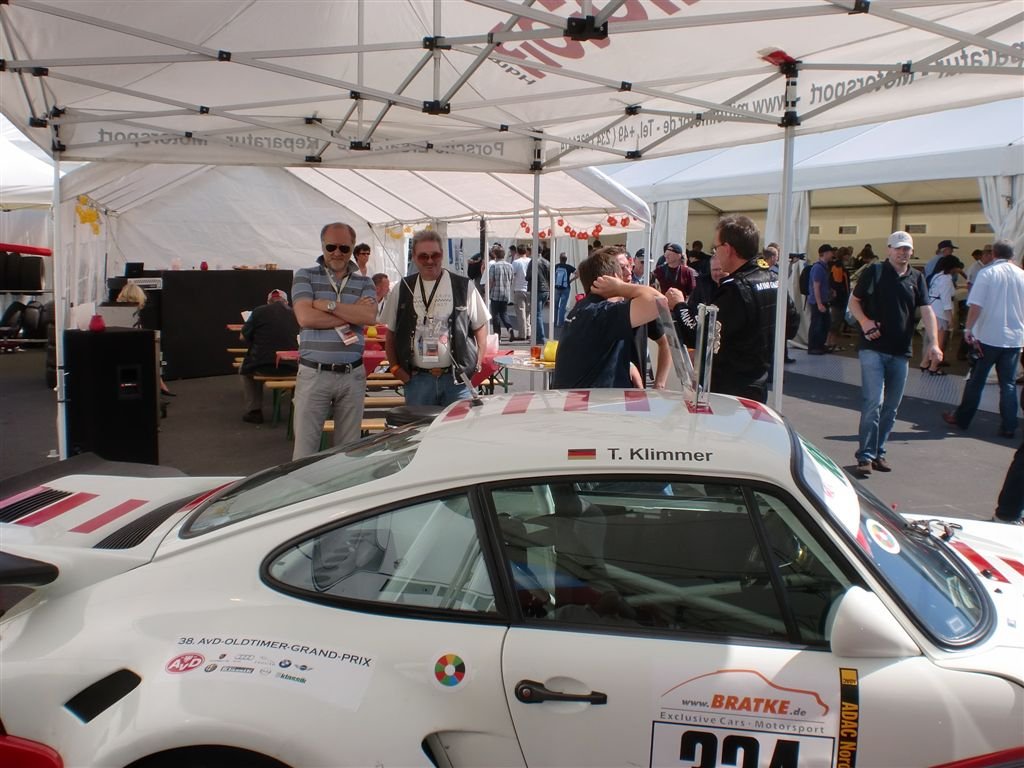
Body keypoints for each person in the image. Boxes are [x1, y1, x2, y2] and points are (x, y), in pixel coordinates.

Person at [673, 215, 799, 403]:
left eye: (716, 247)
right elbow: (792, 326)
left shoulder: (735, 289)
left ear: (727, 248)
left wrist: (679, 305)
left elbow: (700, 335)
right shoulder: (773, 278)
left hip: (731, 389)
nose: (715, 253)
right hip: (758, 381)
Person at [848, 230, 941, 477]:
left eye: (906, 248)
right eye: (898, 248)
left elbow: (927, 310)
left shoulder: (917, 278)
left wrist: (934, 343)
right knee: (874, 402)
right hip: (873, 349)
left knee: (891, 407)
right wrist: (865, 322)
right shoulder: (875, 272)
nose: (902, 252)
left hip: (901, 351)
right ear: (889, 249)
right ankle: (865, 455)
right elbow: (854, 301)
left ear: (912, 251)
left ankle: (878, 451)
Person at [291, 222, 378, 459]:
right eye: (331, 247)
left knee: (348, 453)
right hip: (314, 374)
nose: (337, 252)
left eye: (344, 248)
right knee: (304, 454)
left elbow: (369, 317)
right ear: (322, 247)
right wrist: (351, 313)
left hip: (352, 374)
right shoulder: (305, 275)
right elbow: (305, 317)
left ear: (352, 249)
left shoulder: (365, 282)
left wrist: (326, 305)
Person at [383, 229, 490, 407]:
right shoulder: (402, 287)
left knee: (458, 425)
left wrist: (477, 363)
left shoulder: (464, 286)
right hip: (418, 381)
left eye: (435, 255)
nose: (430, 260)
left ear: (442, 254)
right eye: (423, 256)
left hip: (457, 381)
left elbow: (480, 326)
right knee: (420, 426)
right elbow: (390, 334)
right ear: (414, 257)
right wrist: (395, 368)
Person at [942, 239, 1024, 438]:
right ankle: (1009, 425)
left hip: (987, 336)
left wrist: (968, 329)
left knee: (976, 381)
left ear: (993, 254)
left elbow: (976, 305)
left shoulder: (987, 273)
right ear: (1012, 255)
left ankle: (962, 418)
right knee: (1008, 384)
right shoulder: (1022, 275)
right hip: (1014, 339)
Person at [551, 246, 665, 389]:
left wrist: (628, 365)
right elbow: (660, 302)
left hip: (580, 397)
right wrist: (621, 287)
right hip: (594, 400)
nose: (628, 274)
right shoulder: (601, 312)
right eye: (622, 271)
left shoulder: (582, 309)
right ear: (612, 280)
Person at [239, 289, 300, 424]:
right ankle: (298, 410)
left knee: (245, 371)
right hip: (292, 367)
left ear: (268, 302)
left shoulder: (258, 312)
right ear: (286, 302)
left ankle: (254, 411)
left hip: (262, 366)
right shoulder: (296, 313)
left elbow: (242, 337)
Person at [615, 249, 669, 389]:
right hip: (604, 391)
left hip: (636, 391)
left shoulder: (640, 303)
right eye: (621, 268)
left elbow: (665, 343)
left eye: (629, 266)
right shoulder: (597, 307)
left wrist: (660, 384)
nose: (628, 272)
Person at [116, 281, 173, 397]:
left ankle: (159, 383)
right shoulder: (130, 315)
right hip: (127, 354)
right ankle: (159, 384)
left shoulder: (118, 311)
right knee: (153, 353)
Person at [923, 254, 963, 375]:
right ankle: (933, 366)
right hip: (940, 311)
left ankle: (925, 363)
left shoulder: (937, 276)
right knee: (938, 342)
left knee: (933, 340)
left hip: (932, 307)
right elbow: (946, 300)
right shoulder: (946, 279)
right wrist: (950, 318)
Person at [807, 244, 835, 355]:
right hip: (817, 302)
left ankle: (820, 345)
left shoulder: (824, 267)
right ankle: (813, 347)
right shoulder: (818, 268)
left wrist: (830, 290)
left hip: (823, 300)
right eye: (831, 252)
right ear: (825, 253)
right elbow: (816, 286)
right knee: (817, 325)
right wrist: (819, 304)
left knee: (824, 324)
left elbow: (822, 284)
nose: (832, 255)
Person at [487, 244, 516, 340]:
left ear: (495, 255)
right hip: (505, 293)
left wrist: (488, 290)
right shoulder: (510, 266)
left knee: (495, 315)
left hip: (495, 293)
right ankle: (510, 328)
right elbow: (512, 279)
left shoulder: (494, 266)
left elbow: (491, 281)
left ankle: (497, 335)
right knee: (504, 313)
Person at [527, 248, 551, 344]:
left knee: (537, 314)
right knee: (539, 313)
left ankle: (540, 337)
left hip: (536, 289)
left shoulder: (533, 261)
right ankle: (538, 336)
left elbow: (528, 276)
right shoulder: (547, 262)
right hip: (546, 289)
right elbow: (550, 276)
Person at [511, 244, 532, 340]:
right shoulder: (530, 261)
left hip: (519, 288)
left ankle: (522, 334)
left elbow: (513, 275)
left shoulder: (516, 262)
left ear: (517, 252)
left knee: (521, 313)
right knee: (528, 313)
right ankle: (528, 332)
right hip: (529, 288)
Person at [553, 252, 576, 327]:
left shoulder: (556, 266)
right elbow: (578, 273)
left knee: (555, 306)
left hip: (556, 288)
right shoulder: (569, 267)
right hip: (566, 288)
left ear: (559, 259)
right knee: (562, 306)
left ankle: (554, 322)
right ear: (566, 259)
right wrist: (571, 280)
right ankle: (560, 323)